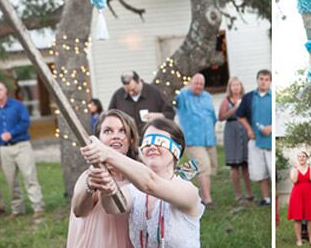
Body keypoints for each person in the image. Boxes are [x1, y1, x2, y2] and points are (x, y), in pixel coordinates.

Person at [81, 117, 204, 248]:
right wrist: (107, 188)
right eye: (147, 141)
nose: (152, 146)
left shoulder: (188, 191)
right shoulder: (134, 191)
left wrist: (108, 154)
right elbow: (113, 207)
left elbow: (150, 183)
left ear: (177, 150)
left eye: (160, 141)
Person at [67, 109, 139, 247]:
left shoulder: (137, 176)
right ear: (98, 139)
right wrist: (89, 186)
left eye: (122, 130)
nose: (116, 136)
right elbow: (78, 210)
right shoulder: (94, 174)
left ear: (131, 139)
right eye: (108, 131)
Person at [0, 81, 44, 218]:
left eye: (0, 89)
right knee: (11, 180)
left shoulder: (18, 106)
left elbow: (25, 122)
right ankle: (17, 209)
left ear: (5, 90)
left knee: (30, 176)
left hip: (22, 146)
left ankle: (38, 207)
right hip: (4, 150)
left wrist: (11, 133)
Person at [175, 73, 218, 206]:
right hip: (193, 139)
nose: (199, 86)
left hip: (208, 139)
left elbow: (212, 116)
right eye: (196, 83)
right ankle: (207, 200)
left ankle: (177, 178)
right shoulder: (183, 96)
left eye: (201, 84)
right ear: (190, 83)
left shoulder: (207, 96)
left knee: (210, 167)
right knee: (204, 166)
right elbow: (173, 99)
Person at [236, 69, 273, 206]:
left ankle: (274, 200)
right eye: (261, 79)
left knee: (271, 170)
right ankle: (266, 198)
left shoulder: (273, 97)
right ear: (257, 80)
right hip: (255, 140)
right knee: (259, 171)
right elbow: (240, 115)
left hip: (270, 141)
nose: (263, 82)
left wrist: (271, 127)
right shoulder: (249, 97)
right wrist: (249, 129)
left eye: (266, 79)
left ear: (270, 82)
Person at [218, 77, 253, 202]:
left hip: (244, 129)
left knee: (245, 164)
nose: (236, 87)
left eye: (238, 85)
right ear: (230, 87)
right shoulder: (226, 101)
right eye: (233, 85)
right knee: (234, 165)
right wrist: (234, 109)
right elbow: (221, 117)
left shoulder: (246, 98)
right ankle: (238, 195)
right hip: (231, 130)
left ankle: (249, 194)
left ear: (241, 86)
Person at [108, 70, 175, 135]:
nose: (131, 93)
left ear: (139, 81)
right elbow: (110, 115)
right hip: (128, 138)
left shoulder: (154, 92)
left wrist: (159, 116)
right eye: (128, 91)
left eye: (133, 89)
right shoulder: (118, 95)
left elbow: (170, 113)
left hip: (151, 135)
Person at [288, 151, 311, 246]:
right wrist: (296, 169)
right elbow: (294, 180)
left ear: (306, 158)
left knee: (310, 218)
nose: (301, 158)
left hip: (308, 194)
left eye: (303, 156)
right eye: (299, 156)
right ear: (297, 158)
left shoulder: (310, 168)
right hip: (297, 195)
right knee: (297, 218)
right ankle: (299, 239)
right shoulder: (293, 169)